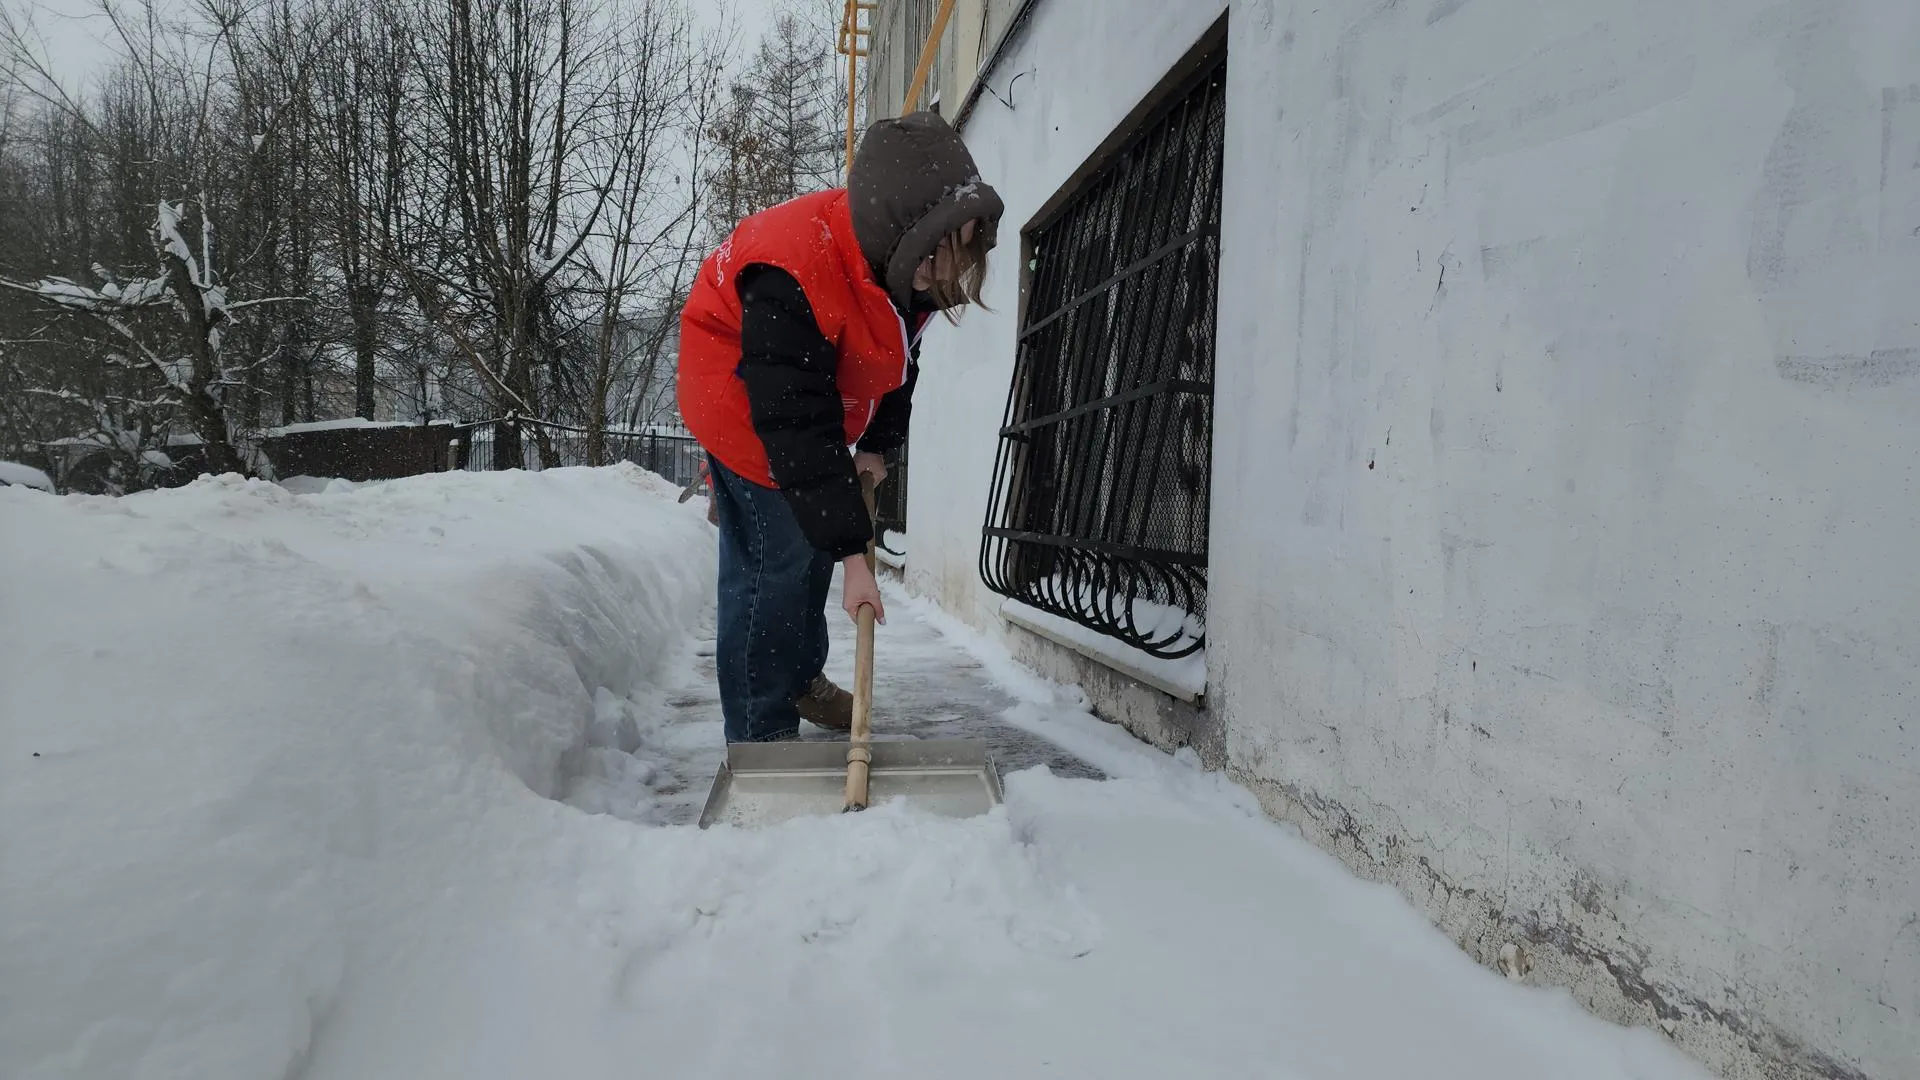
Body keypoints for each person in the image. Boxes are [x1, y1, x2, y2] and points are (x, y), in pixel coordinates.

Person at [675, 111, 1003, 744]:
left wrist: (878, 444)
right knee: (774, 565)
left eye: (958, 254)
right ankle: (758, 728)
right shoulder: (791, 273)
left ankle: (799, 678)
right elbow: (798, 426)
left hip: (807, 399)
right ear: (900, 235)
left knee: (816, 542)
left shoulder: (906, 266)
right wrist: (858, 556)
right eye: (937, 258)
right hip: (740, 394)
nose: (944, 275)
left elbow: (900, 360)